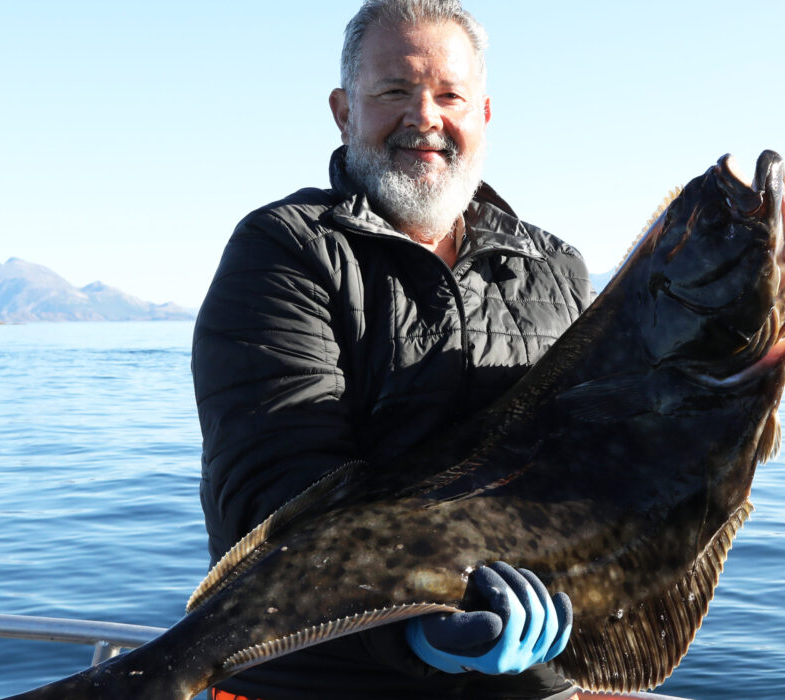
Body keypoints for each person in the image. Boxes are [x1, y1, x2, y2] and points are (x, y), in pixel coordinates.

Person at [192, 2, 593, 698]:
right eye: (394, 91)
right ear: (343, 110)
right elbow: (274, 483)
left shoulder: (557, 269)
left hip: (532, 677)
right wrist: (416, 631)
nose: (424, 118)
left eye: (450, 96)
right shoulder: (285, 249)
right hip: (325, 681)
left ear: (485, 114)